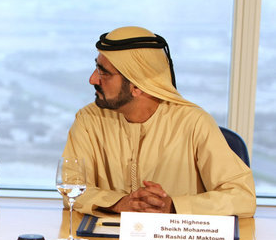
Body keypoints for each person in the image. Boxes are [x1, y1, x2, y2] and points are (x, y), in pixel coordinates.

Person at [62, 26, 256, 218]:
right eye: (97, 68)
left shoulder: (194, 123)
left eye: (104, 73)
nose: (92, 79)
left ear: (138, 86)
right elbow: (70, 187)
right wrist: (119, 203)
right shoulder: (88, 120)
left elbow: (242, 197)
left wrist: (173, 206)